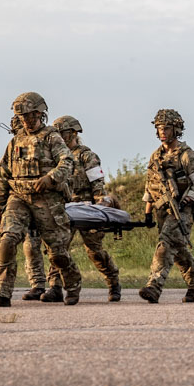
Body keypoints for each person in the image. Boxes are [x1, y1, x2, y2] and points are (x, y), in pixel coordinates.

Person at [0, 92, 81, 307]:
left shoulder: (51, 137)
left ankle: (72, 286)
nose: (25, 120)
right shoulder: (16, 141)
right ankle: (1, 292)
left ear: (39, 113)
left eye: (28, 115)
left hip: (46, 199)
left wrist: (51, 178)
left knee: (57, 253)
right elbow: (3, 174)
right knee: (8, 241)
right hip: (18, 197)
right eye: (21, 117)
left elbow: (67, 162)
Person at [34, 115, 122, 302]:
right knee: (57, 248)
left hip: (87, 208)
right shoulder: (55, 158)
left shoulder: (86, 156)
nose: (59, 137)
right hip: (63, 208)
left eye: (63, 133)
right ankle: (55, 286)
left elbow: (98, 184)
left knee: (94, 250)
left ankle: (113, 283)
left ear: (73, 133)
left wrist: (101, 207)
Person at [139, 109, 194, 303]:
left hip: (181, 210)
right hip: (162, 209)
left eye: (167, 128)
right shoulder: (156, 156)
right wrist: (148, 213)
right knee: (178, 249)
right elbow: (150, 185)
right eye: (159, 128)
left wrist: (188, 199)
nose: (162, 132)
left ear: (176, 129)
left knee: (165, 244)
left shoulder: (188, 156)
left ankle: (154, 286)